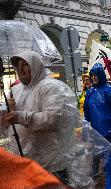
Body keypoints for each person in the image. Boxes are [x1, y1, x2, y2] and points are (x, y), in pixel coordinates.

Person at [3, 51, 79, 183]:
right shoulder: (15, 90)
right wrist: (5, 109)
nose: (20, 69)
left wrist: (20, 117)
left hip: (52, 162)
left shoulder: (52, 87)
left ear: (35, 65)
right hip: (25, 161)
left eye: (25, 64)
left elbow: (52, 119)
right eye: (18, 65)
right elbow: (6, 123)